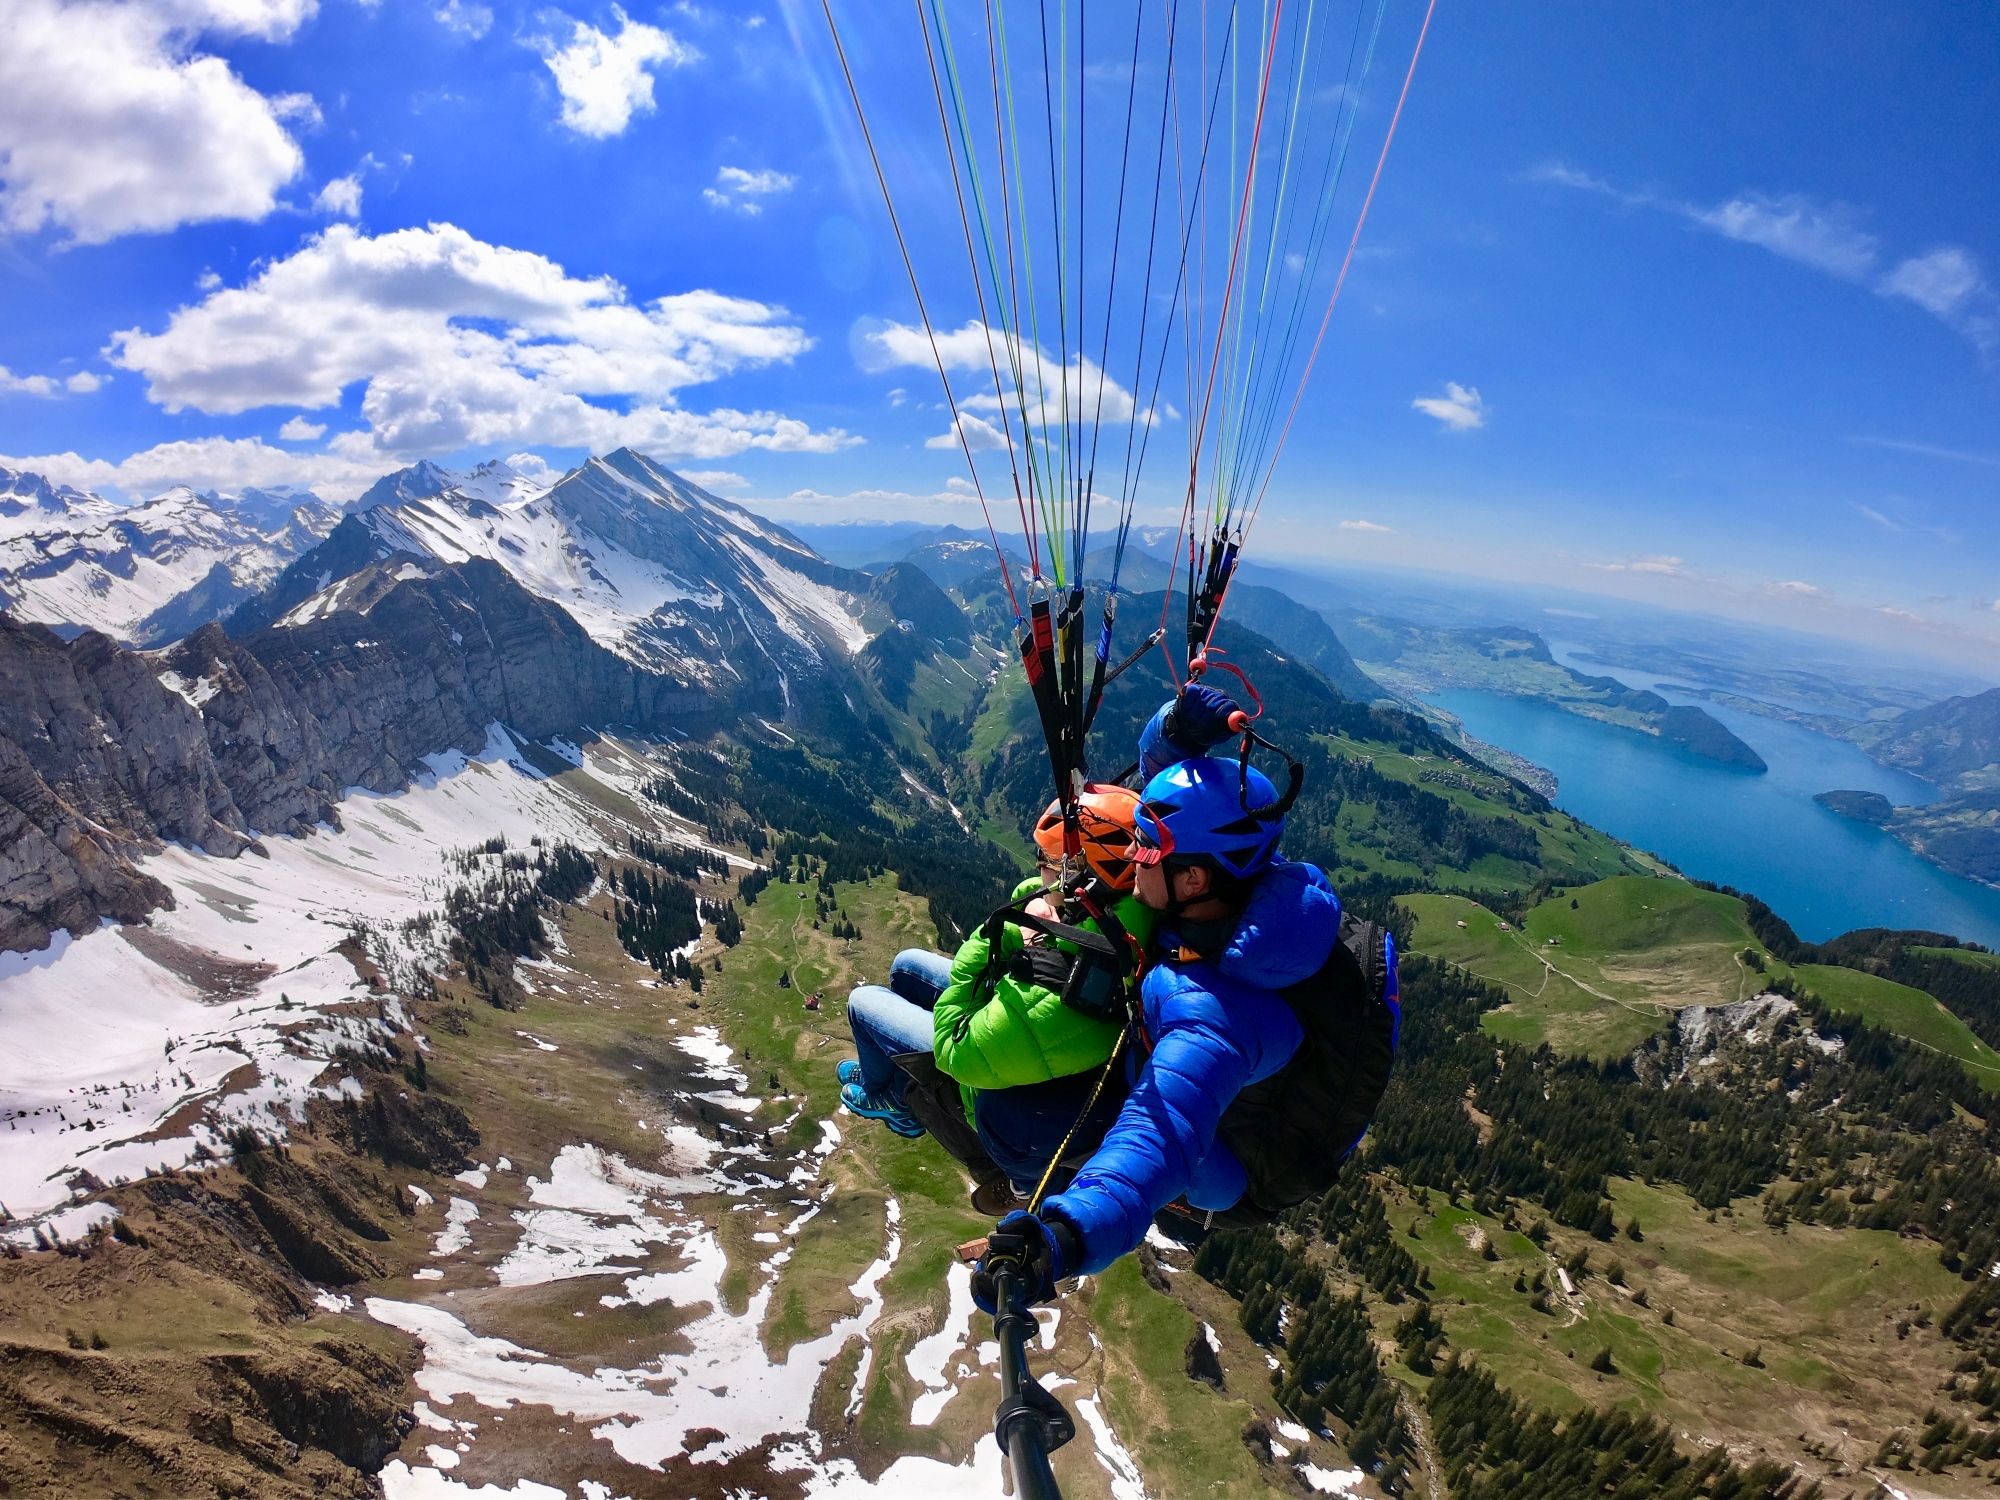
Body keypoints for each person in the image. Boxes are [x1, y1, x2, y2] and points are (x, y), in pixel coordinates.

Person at [970, 687, 1400, 1312]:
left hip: (1223, 1174)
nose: (1129, 856)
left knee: (1036, 1112)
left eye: (1142, 849)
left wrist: (1061, 1239)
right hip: (1214, 1093)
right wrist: (1176, 732)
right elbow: (1169, 802)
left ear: (1192, 878)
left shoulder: (1214, 1015)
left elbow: (1156, 1139)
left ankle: (1041, 1177)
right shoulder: (1235, 895)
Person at [837, 786, 1151, 1210]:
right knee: (906, 967)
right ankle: (882, 1078)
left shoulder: (1067, 987)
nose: (1039, 868)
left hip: (992, 1052)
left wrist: (1004, 937)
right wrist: (1039, 915)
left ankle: (889, 1100)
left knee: (863, 1003)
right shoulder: (1126, 909)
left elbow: (955, 1050)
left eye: (1049, 862)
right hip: (1036, 1016)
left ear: (1080, 880)